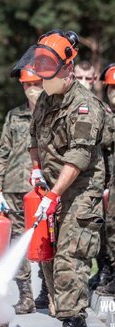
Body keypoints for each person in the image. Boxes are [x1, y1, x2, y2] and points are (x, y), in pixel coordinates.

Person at [13, 29, 105, 327]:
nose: (42, 81)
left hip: (80, 192)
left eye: (47, 75)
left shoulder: (85, 106)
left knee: (70, 258)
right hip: (52, 191)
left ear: (67, 69)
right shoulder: (45, 102)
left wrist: (54, 194)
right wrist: (37, 172)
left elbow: (78, 157)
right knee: (49, 260)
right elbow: (33, 139)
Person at [0, 68, 45, 315]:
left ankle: (50, 293)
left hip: (45, 188)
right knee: (16, 242)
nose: (31, 89)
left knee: (47, 239)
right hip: (14, 186)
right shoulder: (14, 116)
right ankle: (26, 296)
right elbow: (3, 152)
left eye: (36, 83)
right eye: (27, 85)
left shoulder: (53, 114)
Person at [74, 61, 114, 290]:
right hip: (97, 179)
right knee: (99, 228)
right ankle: (104, 272)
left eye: (89, 79)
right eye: (80, 78)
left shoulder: (99, 108)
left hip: (106, 178)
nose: (84, 84)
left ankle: (109, 272)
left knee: (111, 228)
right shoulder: (95, 108)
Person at [96, 63, 115, 296]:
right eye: (111, 89)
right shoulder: (101, 113)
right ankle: (108, 272)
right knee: (107, 229)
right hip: (106, 182)